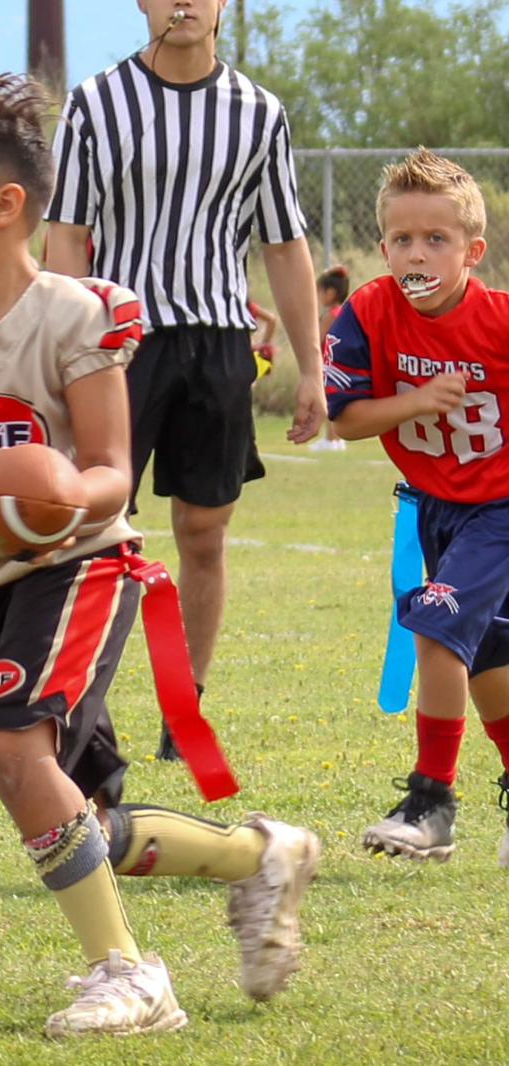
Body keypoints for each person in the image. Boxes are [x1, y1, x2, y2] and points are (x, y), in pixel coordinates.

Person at [0, 72, 319, 1038]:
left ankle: (131, 975)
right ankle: (262, 857)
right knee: (84, 814)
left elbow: (112, 468)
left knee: (13, 749)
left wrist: (65, 496)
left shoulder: (82, 312)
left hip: (83, 565)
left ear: (5, 206)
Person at [44, 0, 327, 763]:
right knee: (93, 528)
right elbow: (66, 235)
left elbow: (284, 243)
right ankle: (76, 707)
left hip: (219, 341)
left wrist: (312, 365)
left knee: (204, 532)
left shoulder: (259, 112)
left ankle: (183, 708)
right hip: (118, 343)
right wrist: (60, 347)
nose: (184, 3)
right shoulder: (97, 102)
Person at [320, 150, 509, 864]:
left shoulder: (498, 321)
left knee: (435, 625)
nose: (417, 254)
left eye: (436, 239)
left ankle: (432, 803)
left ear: (472, 252)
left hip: (500, 509)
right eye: (402, 239)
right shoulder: (370, 311)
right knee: (485, 660)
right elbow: (347, 419)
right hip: (437, 507)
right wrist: (418, 401)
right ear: (383, 247)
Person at [310, 265, 352, 452]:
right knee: (337, 401)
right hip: (342, 362)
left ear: (330, 293)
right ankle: (337, 439)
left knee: (329, 401)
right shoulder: (344, 312)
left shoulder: (330, 315)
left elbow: (318, 338)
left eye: (319, 291)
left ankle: (331, 440)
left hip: (329, 363)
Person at [247, 298, 280, 380]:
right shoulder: (245, 305)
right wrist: (264, 344)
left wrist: (264, 344)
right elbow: (272, 320)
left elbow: (272, 320)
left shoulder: (245, 306)